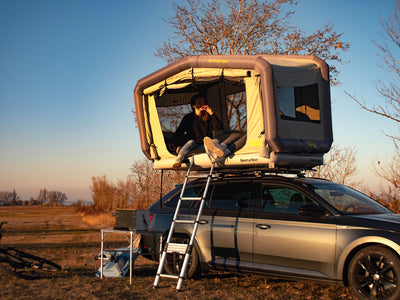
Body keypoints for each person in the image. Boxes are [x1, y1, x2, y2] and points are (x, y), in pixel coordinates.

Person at [173, 94, 222, 169]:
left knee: (216, 141)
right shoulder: (188, 118)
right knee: (191, 142)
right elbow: (179, 132)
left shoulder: (208, 116)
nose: (202, 104)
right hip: (193, 146)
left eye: (203, 102)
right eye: (199, 102)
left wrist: (211, 113)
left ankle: (215, 151)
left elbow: (218, 127)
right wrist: (177, 145)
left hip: (204, 146)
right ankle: (179, 159)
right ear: (194, 105)